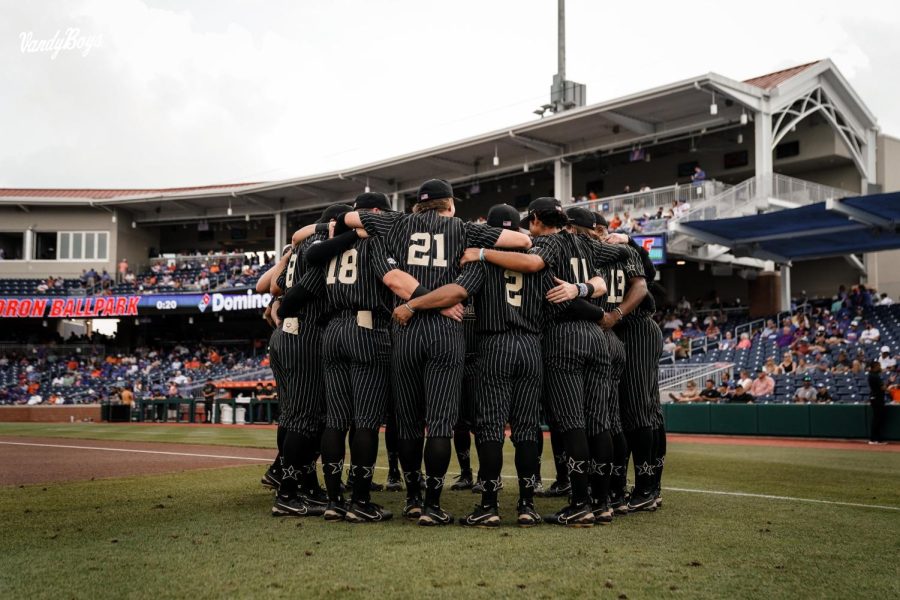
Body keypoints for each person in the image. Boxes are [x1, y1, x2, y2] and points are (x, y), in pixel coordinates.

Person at [327, 179, 532, 526]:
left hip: (404, 329)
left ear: (418, 205)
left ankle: (412, 498)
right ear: (449, 204)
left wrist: (352, 226)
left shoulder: (396, 223)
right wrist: (472, 260)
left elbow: (348, 219)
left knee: (408, 422)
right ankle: (433, 506)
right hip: (446, 331)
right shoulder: (463, 229)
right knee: (440, 423)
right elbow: (522, 241)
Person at [393, 203, 603, 527]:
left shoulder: (483, 259)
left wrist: (414, 304)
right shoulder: (537, 260)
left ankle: (489, 504)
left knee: (490, 428)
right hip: (531, 347)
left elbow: (457, 292)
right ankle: (527, 505)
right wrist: (601, 312)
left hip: (495, 345)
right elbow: (562, 299)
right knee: (526, 430)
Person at [281, 192, 433, 522]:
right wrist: (435, 300)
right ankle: (360, 501)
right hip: (366, 329)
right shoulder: (374, 241)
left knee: (335, 420)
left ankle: (335, 501)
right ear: (375, 213)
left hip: (332, 332)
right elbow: (393, 280)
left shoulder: (330, 248)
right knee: (365, 421)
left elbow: (294, 296)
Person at [867, 360, 888, 445]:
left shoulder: (872, 375)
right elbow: (883, 388)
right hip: (877, 399)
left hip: (875, 398)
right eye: (878, 366)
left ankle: (875, 439)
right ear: (875, 367)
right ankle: (875, 439)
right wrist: (890, 382)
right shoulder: (875, 376)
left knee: (877, 419)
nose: (880, 367)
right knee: (877, 419)